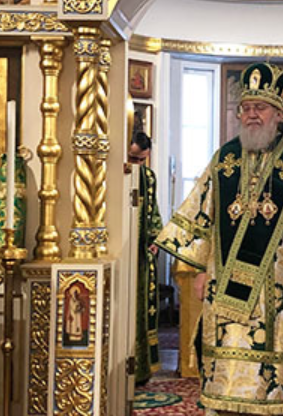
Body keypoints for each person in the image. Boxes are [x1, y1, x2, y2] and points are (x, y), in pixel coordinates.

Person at [155, 62, 283, 415]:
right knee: (226, 373)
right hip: (224, 288)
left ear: (278, 113)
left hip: (280, 293)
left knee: (275, 378)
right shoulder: (224, 160)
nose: (252, 115)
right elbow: (202, 214)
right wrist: (199, 269)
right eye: (246, 108)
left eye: (260, 108)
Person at [128, 131, 163, 385]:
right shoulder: (117, 174)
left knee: (143, 307)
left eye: (141, 160)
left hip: (141, 256)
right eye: (132, 159)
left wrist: (155, 240)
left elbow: (153, 213)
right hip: (123, 251)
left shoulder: (149, 178)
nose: (136, 166)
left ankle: (142, 368)